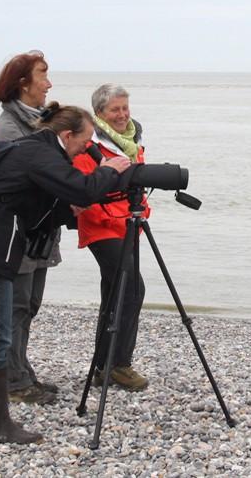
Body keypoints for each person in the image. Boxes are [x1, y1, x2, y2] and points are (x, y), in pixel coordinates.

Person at [0, 103, 132, 444]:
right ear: (66, 136)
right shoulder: (39, 154)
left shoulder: (27, 150)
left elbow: (30, 205)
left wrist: (67, 209)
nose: (86, 148)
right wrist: (110, 169)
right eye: (84, 142)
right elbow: (82, 188)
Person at [0, 50, 60, 404]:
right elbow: (19, 181)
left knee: (29, 303)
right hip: (18, 232)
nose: (48, 84)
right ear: (23, 83)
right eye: (43, 75)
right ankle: (13, 380)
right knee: (16, 305)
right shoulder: (9, 127)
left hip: (39, 230)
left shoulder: (39, 121)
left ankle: (21, 369)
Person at [73, 84, 150, 391]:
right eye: (115, 110)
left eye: (125, 108)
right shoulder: (89, 142)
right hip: (102, 222)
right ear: (100, 113)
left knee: (114, 291)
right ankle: (118, 365)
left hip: (129, 223)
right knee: (131, 288)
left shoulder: (132, 139)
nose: (122, 115)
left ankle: (104, 365)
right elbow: (84, 185)